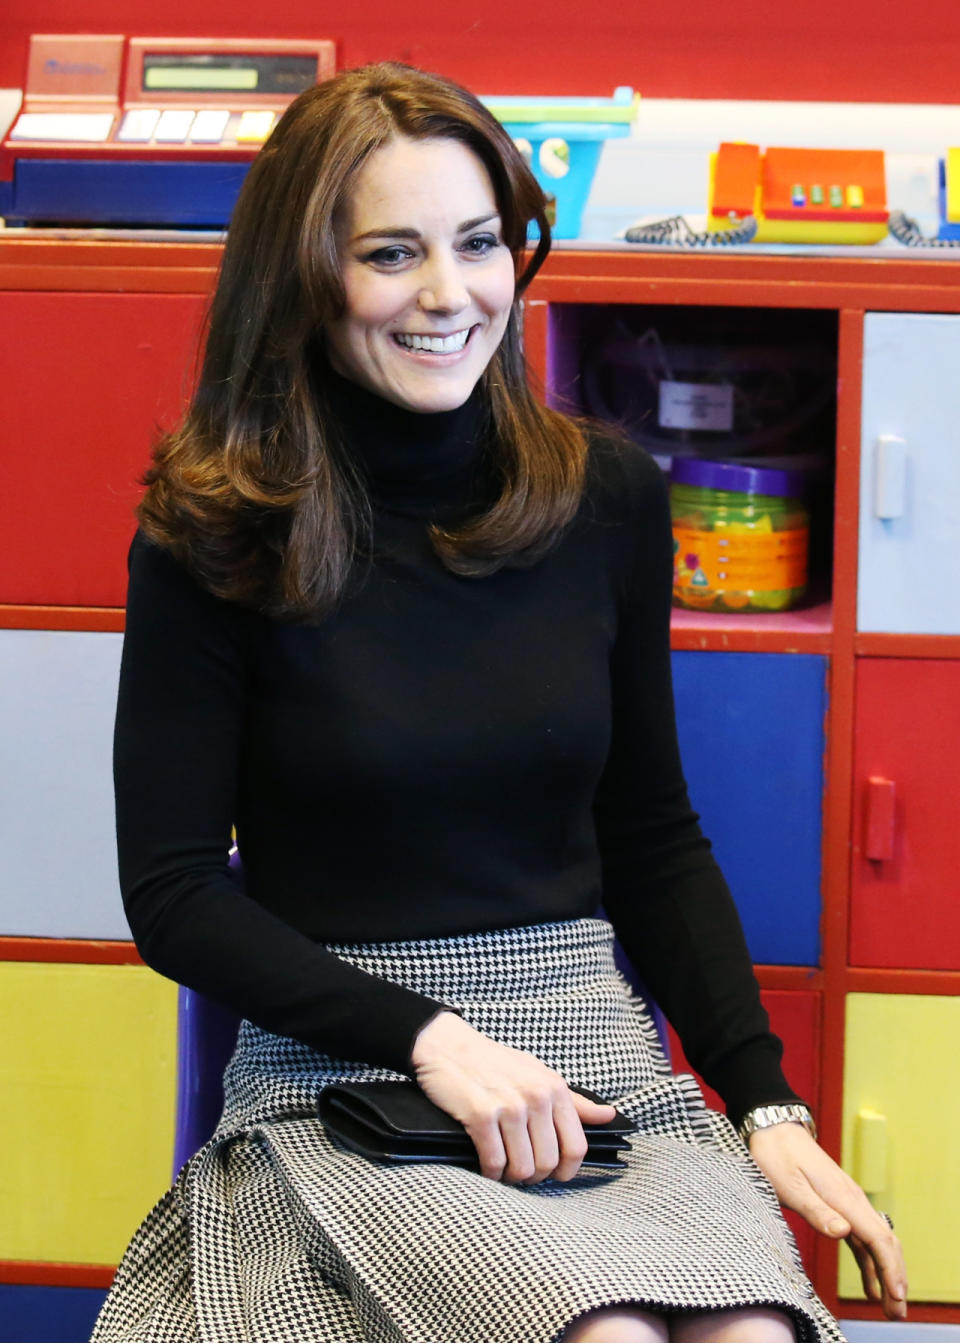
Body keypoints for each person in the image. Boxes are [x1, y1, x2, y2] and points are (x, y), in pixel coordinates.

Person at [93, 62, 905, 1343]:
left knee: (751, 1333)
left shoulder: (608, 498)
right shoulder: (217, 534)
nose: (446, 294)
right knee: (602, 1336)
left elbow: (651, 835)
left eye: (477, 244)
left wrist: (766, 1104)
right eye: (389, 253)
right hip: (345, 1064)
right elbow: (177, 889)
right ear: (306, 280)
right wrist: (427, 1038)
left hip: (590, 1045)